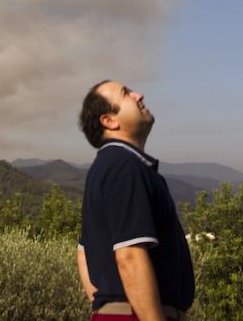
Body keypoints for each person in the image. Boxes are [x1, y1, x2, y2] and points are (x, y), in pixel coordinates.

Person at [77, 80, 195, 321]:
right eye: (126, 94)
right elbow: (129, 255)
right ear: (110, 121)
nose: (139, 95)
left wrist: (105, 308)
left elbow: (83, 251)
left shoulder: (109, 165)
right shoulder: (124, 166)